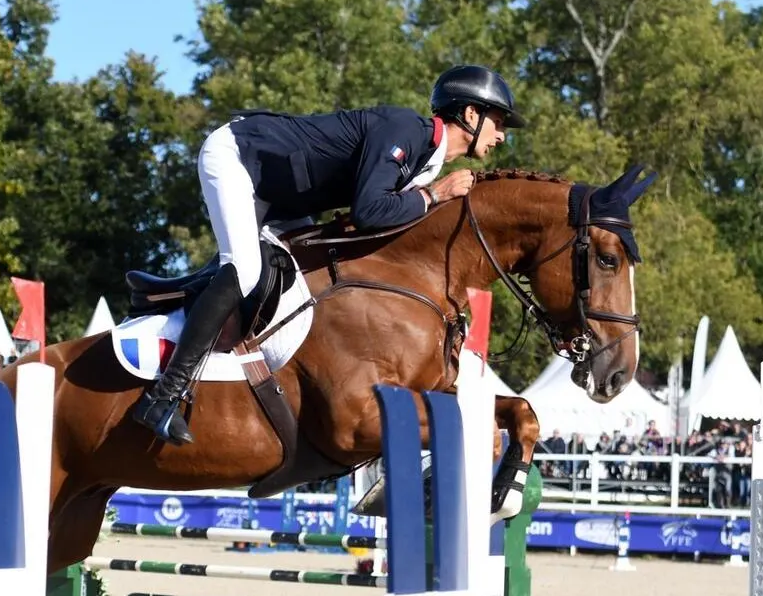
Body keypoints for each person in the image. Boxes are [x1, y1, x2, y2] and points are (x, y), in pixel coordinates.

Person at [133, 64, 527, 445]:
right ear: (470, 114)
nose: (501, 136)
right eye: (498, 122)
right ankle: (164, 395)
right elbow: (369, 211)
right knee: (247, 270)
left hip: (283, 196)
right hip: (241, 156)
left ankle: (179, 301)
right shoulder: (407, 129)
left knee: (300, 273)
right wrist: (434, 195)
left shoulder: (426, 162)